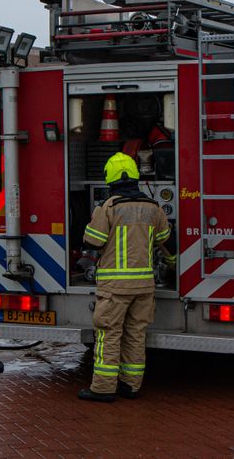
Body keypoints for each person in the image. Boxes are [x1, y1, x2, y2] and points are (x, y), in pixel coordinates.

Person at [77, 152, 174, 402]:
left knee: (108, 335)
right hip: (144, 286)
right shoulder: (153, 208)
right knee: (135, 335)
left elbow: (93, 241)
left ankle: (103, 388)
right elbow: (165, 241)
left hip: (115, 287)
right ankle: (130, 386)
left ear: (110, 179)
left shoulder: (109, 207)